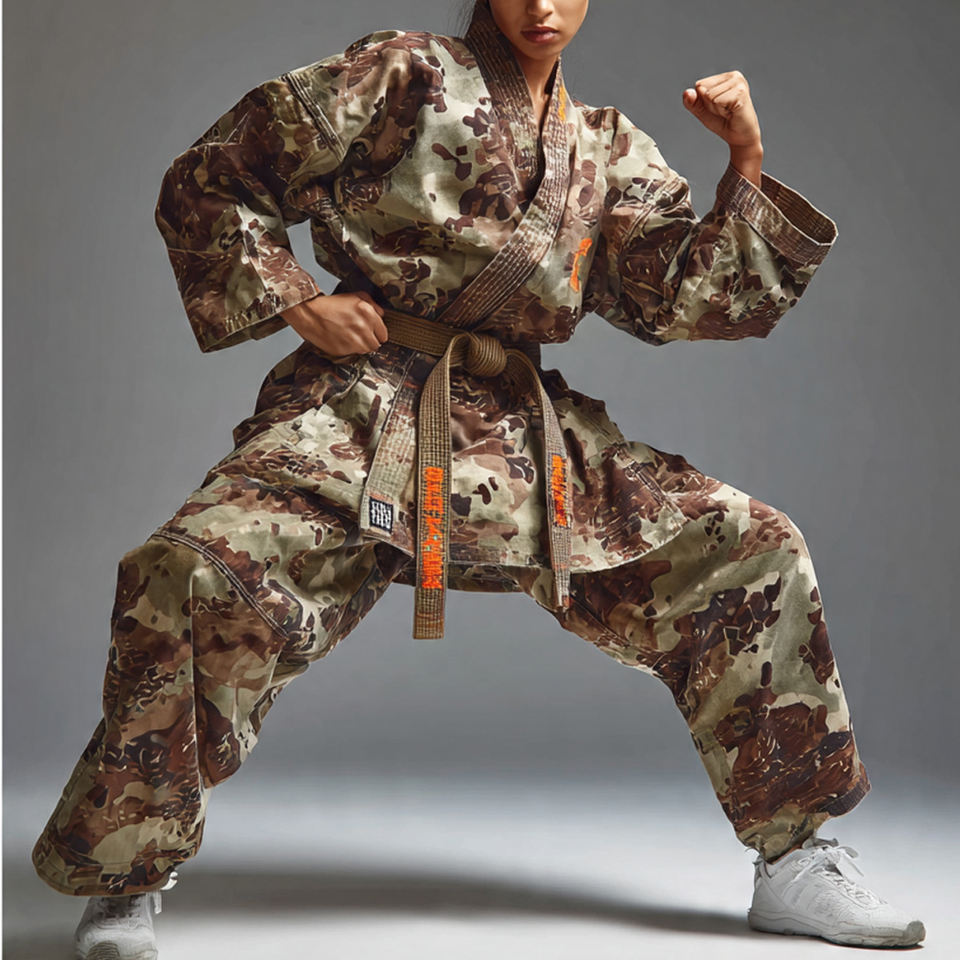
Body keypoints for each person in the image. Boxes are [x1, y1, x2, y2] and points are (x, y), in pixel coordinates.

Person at [33, 1, 926, 956]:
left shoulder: (604, 147)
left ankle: (797, 859)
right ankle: (126, 872)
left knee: (755, 550)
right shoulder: (403, 73)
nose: (543, 7)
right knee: (189, 570)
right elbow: (214, 177)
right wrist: (300, 302)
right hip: (360, 415)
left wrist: (744, 156)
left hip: (522, 436)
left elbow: (684, 299)